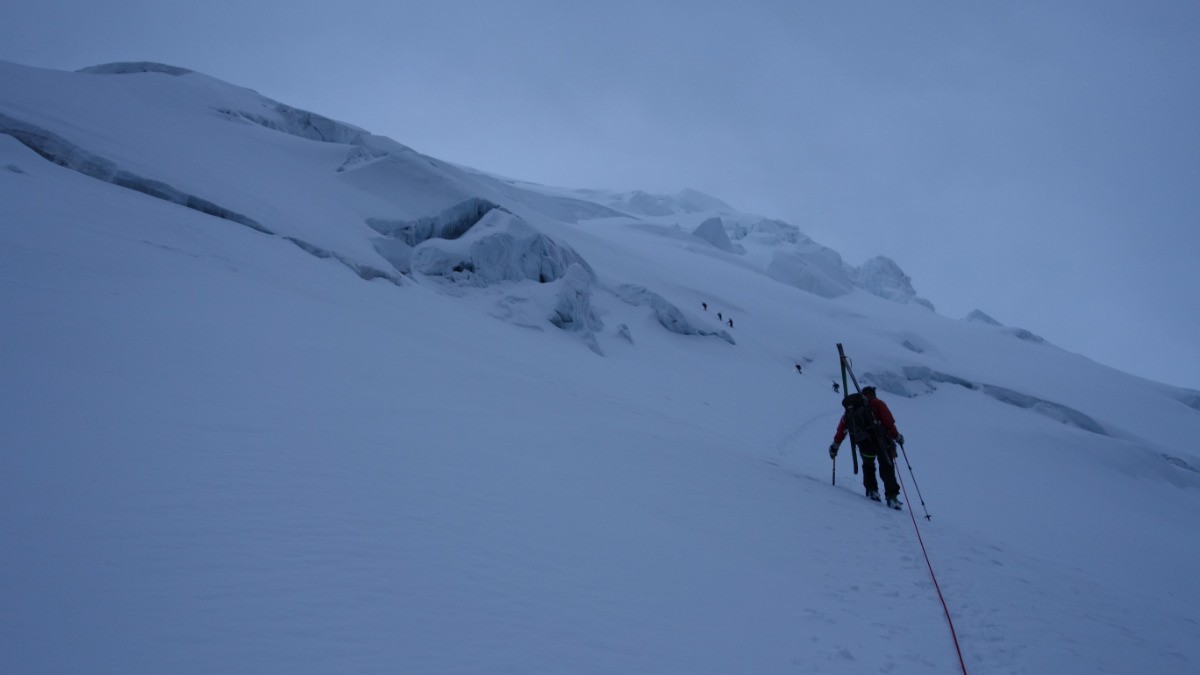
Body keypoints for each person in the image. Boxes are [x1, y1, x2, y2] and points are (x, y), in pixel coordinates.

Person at [828, 386, 906, 509]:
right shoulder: (877, 403)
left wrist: (835, 445)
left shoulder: (851, 410)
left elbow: (842, 428)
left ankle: (872, 491)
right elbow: (888, 422)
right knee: (886, 466)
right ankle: (892, 497)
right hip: (882, 441)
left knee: (868, 465)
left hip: (864, 443)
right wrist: (897, 437)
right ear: (873, 394)